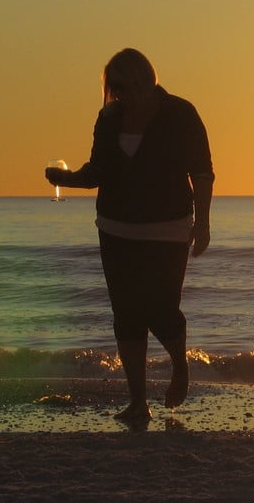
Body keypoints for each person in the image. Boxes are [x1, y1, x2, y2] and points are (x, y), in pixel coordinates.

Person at [45, 48, 215, 425]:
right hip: (115, 227)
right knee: (126, 314)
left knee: (161, 308)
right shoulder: (109, 118)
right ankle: (138, 402)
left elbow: (202, 173)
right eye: (113, 88)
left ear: (143, 79)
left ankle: (179, 366)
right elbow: (97, 172)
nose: (117, 94)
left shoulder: (180, 113)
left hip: (168, 226)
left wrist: (201, 223)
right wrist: (65, 179)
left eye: (122, 86)